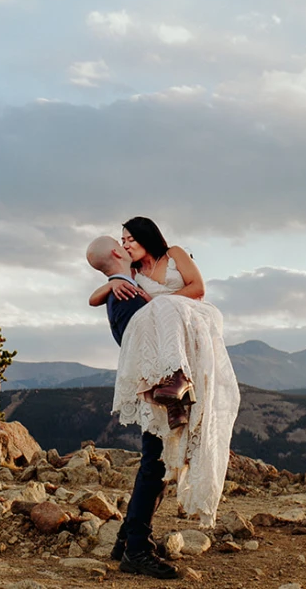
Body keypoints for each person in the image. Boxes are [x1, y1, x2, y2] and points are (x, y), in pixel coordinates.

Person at [86, 219, 240, 578]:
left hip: (167, 365)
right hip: (154, 380)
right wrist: (117, 285)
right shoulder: (127, 286)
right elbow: (129, 329)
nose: (126, 244)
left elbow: (197, 288)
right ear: (116, 252)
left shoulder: (141, 277)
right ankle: (136, 548)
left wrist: (144, 296)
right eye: (121, 241)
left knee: (155, 462)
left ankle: (126, 541)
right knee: (155, 464)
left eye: (130, 238)